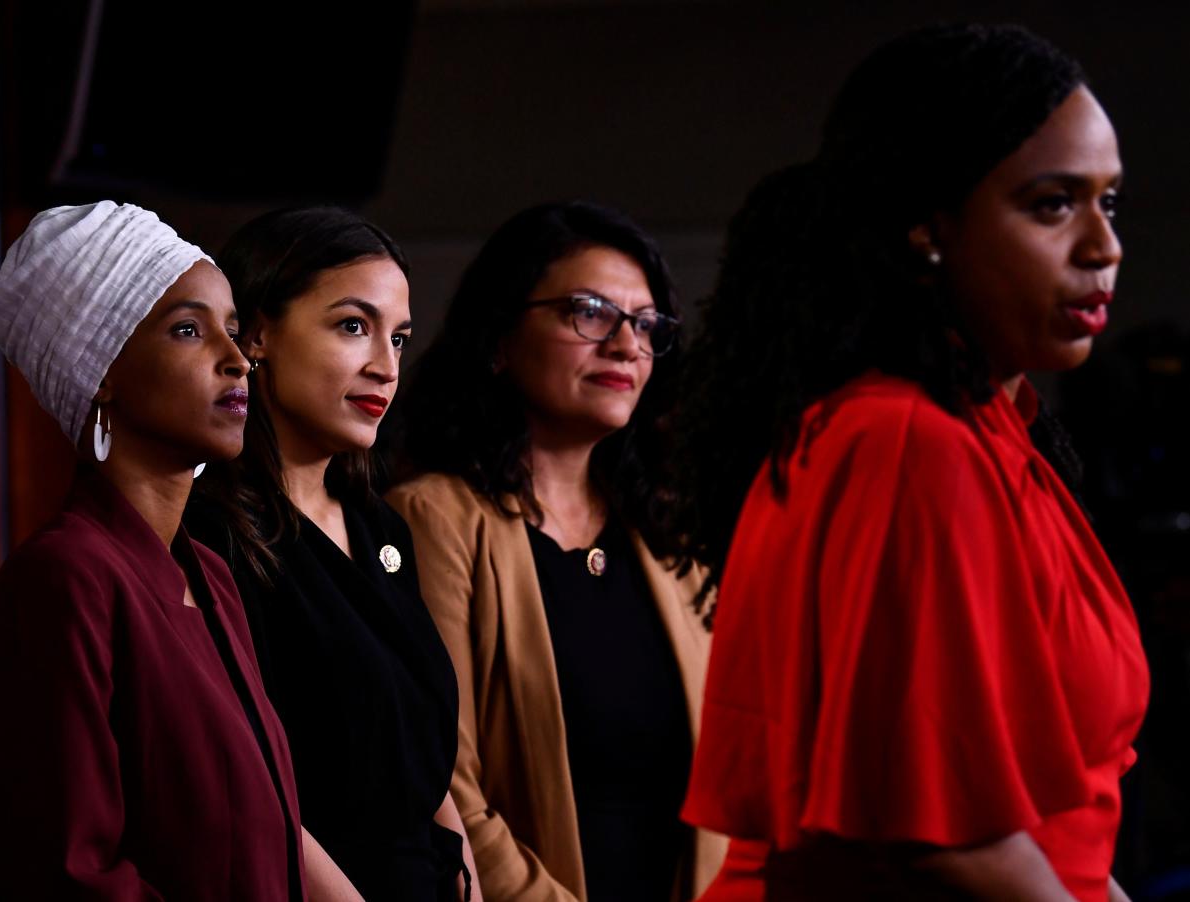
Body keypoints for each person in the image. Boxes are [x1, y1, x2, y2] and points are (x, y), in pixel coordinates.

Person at [671, 24, 1149, 902]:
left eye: (1107, 203)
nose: (1101, 246)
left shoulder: (990, 434)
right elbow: (948, 844)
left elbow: (1059, 837)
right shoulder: (904, 443)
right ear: (929, 227)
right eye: (1051, 204)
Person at [0, 201, 359, 900]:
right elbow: (68, 877)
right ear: (101, 370)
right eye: (187, 330)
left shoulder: (208, 573)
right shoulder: (64, 580)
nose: (238, 360)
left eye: (234, 332)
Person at [387, 201, 727, 901]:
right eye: (589, 312)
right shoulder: (434, 518)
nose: (626, 345)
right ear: (499, 340)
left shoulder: (670, 542)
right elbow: (442, 782)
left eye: (645, 324)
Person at [185, 206, 475, 901]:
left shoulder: (383, 527)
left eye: (399, 339)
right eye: (353, 326)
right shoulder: (208, 532)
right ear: (255, 335)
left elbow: (426, 760)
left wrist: (468, 877)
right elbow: (249, 790)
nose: (384, 366)